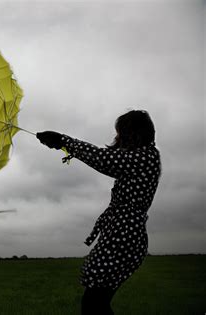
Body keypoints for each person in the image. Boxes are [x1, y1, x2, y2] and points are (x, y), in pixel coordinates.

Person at [36, 110, 161, 315]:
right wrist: (63, 142)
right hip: (121, 236)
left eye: (121, 133)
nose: (117, 138)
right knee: (96, 303)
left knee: (94, 303)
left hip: (124, 239)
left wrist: (62, 141)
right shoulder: (145, 156)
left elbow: (102, 159)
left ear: (133, 133)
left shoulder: (145, 156)